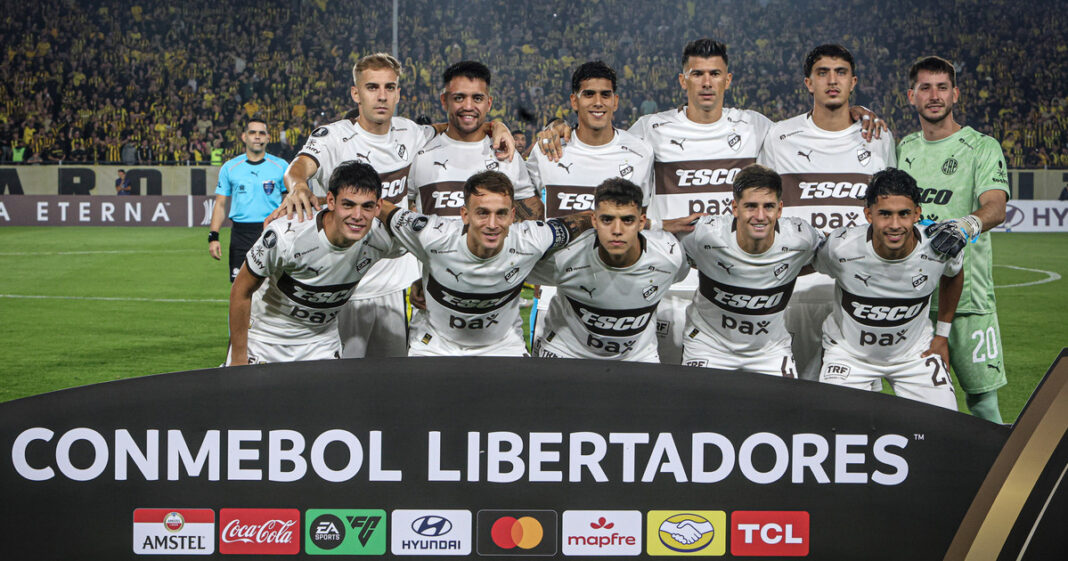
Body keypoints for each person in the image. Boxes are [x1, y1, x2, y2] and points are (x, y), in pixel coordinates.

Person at [277, 53, 516, 360]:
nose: (381, 96)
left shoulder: (411, 133)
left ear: (398, 93)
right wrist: (297, 184)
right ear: (356, 93)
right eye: (372, 87)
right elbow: (300, 166)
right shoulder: (334, 136)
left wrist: (497, 125)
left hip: (392, 286)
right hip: (342, 286)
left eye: (389, 88)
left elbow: (461, 125)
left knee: (388, 386)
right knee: (337, 385)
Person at [758, 44, 897, 381]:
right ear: (809, 83)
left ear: (854, 82)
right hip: (793, 292)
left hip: (859, 294)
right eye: (822, 73)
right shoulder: (779, 137)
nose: (832, 81)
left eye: (841, 73)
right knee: (787, 397)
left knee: (851, 405)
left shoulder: (877, 137)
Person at [897, 56, 1010, 422]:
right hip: (912, 303)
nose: (934, 95)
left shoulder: (981, 147)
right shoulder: (905, 149)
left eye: (942, 87)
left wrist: (966, 226)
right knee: (917, 409)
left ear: (955, 94)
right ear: (911, 95)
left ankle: (997, 480)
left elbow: (995, 206)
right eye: (925, 88)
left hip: (970, 301)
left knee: (982, 403)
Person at [380, 170, 592, 356]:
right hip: (435, 344)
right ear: (465, 214)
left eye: (500, 214)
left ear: (512, 216)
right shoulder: (432, 235)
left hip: (502, 346)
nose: (492, 224)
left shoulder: (532, 239)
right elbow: (381, 207)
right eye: (482, 213)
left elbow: (585, 219)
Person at [525, 61, 657, 345]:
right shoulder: (548, 149)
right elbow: (526, 208)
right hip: (556, 289)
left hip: (620, 289)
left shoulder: (640, 153)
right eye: (588, 94)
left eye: (605, 94)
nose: (598, 103)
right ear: (574, 100)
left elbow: (643, 221)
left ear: (616, 101)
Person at [813, 168, 964, 410]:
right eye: (885, 214)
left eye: (903, 214)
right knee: (836, 431)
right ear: (868, 214)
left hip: (915, 355)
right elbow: (801, 264)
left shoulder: (939, 245)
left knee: (945, 426)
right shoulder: (841, 248)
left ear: (917, 214)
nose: (895, 225)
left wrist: (942, 335)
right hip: (849, 355)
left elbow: (954, 274)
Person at [228, 161, 403, 365]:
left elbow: (428, 247)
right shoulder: (286, 235)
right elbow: (241, 290)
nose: (357, 216)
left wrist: (418, 282)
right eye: (348, 204)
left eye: (367, 206)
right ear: (331, 201)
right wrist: (238, 357)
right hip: (266, 342)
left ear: (378, 207)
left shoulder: (380, 238)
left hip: (321, 344)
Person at [680, 164, 823, 376]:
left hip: (769, 350)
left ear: (780, 209)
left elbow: (834, 252)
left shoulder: (801, 237)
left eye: (768, 206)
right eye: (750, 206)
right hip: (708, 345)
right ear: (734, 208)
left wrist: (788, 271)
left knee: (781, 409)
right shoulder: (704, 233)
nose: (760, 216)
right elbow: (666, 247)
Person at [528, 178, 687, 362]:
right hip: (567, 353)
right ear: (594, 220)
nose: (617, 230)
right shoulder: (565, 256)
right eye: (607, 219)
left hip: (636, 357)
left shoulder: (670, 257)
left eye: (627, 220)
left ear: (642, 222)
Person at [408, 61, 541, 220]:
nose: (468, 106)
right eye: (459, 98)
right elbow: (399, 210)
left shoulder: (507, 154)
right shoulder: (419, 153)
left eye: (477, 98)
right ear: (444, 101)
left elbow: (533, 216)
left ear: (489, 103)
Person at [208, 118, 288, 283]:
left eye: (261, 133)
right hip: (240, 234)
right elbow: (221, 204)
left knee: (274, 287)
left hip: (271, 232)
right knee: (240, 289)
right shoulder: (230, 168)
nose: (257, 137)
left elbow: (289, 203)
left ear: (268, 138)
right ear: (244, 137)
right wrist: (213, 236)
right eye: (252, 133)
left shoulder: (281, 167)